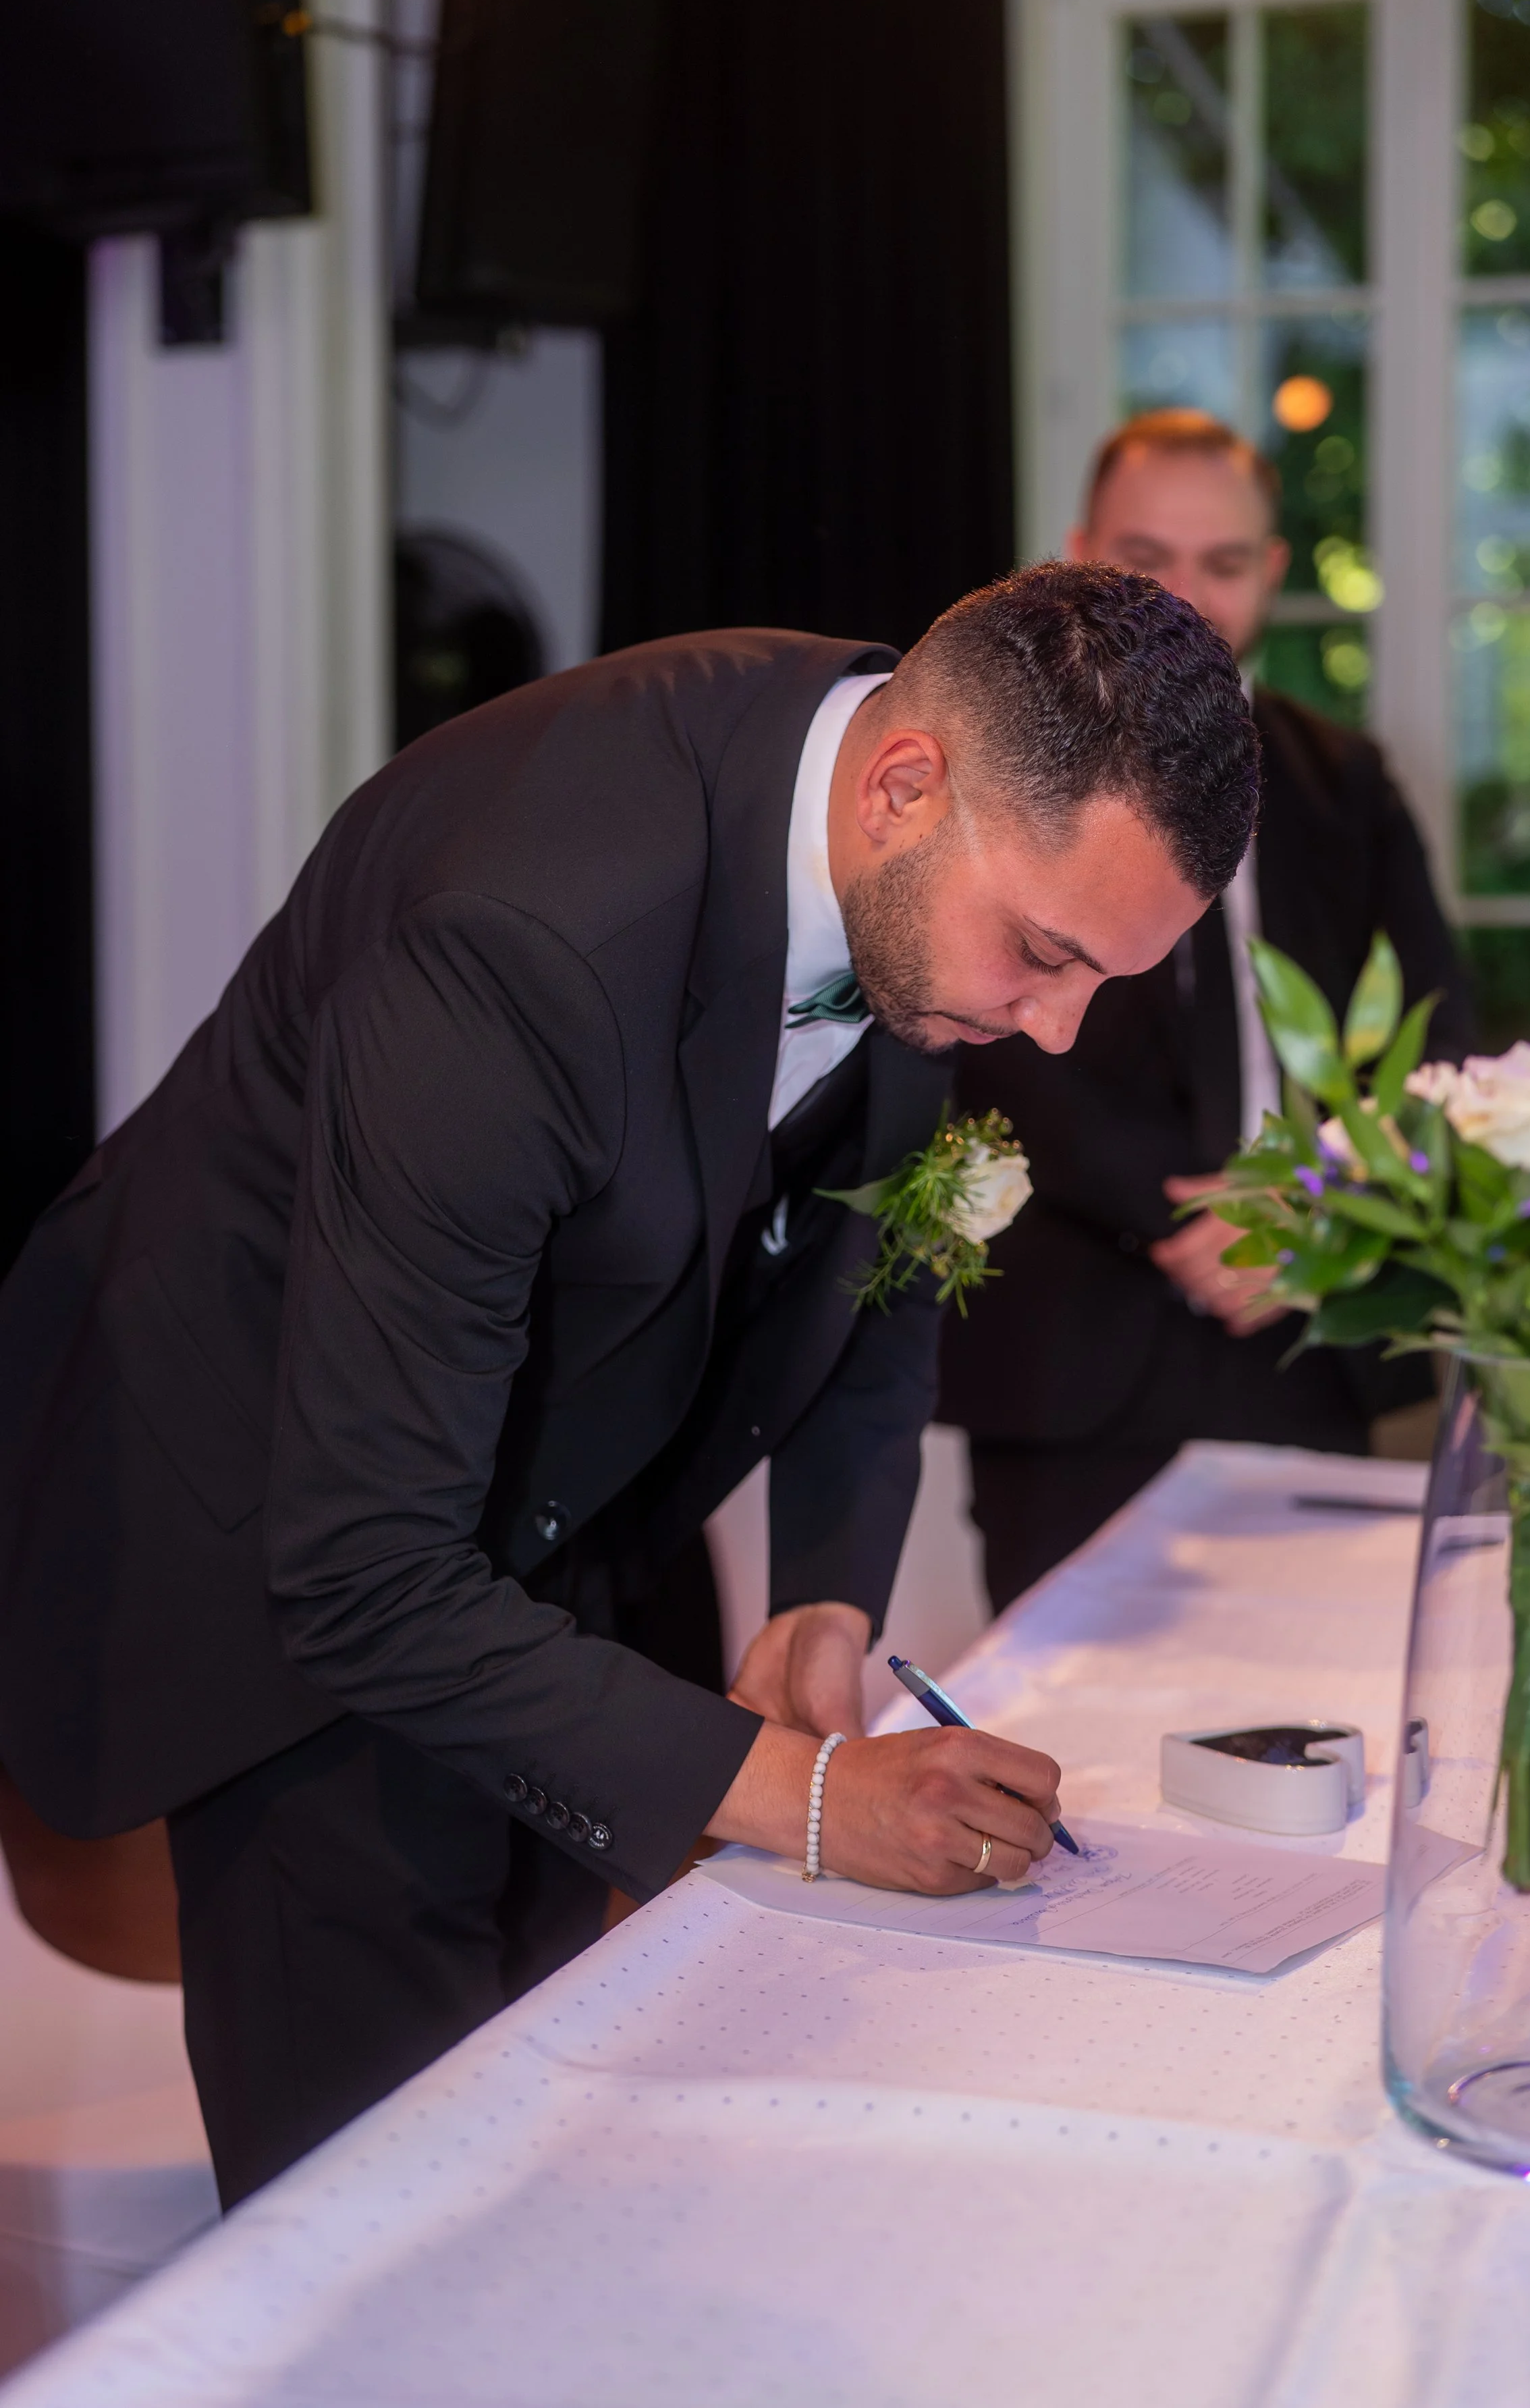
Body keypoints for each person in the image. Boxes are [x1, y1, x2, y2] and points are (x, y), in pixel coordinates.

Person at [0, 563, 1257, 2205]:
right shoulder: (520, 935)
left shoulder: (910, 836)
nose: (1059, 1033)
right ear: (900, 787)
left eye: (1103, 978)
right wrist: (814, 1799)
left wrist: (825, 1596)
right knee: (375, 2185)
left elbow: (880, 1249)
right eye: (1041, 954)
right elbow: (364, 1570)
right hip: (274, 1517)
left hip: (559, 1476)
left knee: (562, 2094)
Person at [941, 412, 1475, 1614]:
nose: (1187, 596)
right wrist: (1202, 1214)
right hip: (1076, 1350)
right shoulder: (995, 766)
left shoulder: (1344, 778)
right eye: (1147, 558)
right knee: (1060, 1710)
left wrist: (1309, 1206)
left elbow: (1439, 1038)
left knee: (1316, 1699)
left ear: (1273, 570)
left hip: (1306, 1324)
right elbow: (989, 1023)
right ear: (1080, 552)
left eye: (1224, 562)